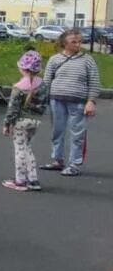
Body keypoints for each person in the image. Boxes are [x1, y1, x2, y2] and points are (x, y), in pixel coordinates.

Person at [41, 28, 101, 177]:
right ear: (64, 43)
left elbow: (94, 82)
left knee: (77, 134)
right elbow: (47, 81)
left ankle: (74, 164)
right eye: (74, 42)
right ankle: (57, 160)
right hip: (56, 99)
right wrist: (42, 99)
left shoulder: (87, 60)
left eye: (80, 41)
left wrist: (91, 101)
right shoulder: (55, 59)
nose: (78, 45)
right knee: (57, 131)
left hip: (78, 101)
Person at [1, 50, 48, 192]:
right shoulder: (43, 85)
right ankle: (33, 179)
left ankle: (20, 180)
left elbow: (13, 109)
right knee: (28, 148)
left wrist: (7, 124)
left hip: (21, 121)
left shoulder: (19, 87)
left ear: (22, 68)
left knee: (20, 150)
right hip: (35, 120)